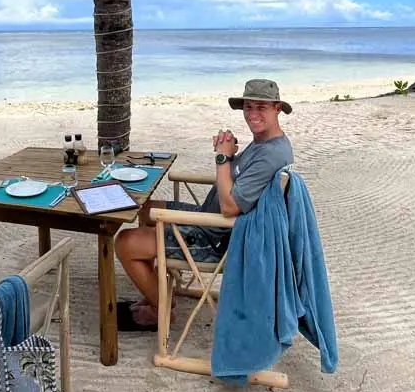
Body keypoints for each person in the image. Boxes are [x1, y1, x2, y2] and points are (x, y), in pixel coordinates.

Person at [114, 78, 293, 332]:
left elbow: (231, 208)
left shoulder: (271, 155)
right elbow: (234, 182)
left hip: (215, 238)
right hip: (208, 220)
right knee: (146, 207)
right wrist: (228, 155)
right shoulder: (264, 141)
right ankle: (156, 293)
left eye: (261, 107)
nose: (252, 114)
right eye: (248, 107)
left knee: (124, 242)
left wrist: (222, 158)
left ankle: (161, 311)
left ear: (277, 109)